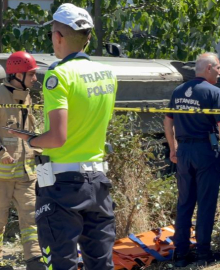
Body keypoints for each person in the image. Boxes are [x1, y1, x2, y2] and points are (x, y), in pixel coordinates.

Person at [9, 3, 117, 270]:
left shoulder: (58, 75)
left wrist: (31, 140)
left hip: (62, 185)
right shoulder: (108, 74)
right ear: (88, 37)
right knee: (101, 264)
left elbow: (57, 138)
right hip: (98, 183)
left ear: (58, 36)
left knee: (61, 264)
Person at [164, 52, 220, 267]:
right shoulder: (215, 92)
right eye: (218, 68)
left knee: (184, 204)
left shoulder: (178, 91)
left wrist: (173, 147)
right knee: (206, 204)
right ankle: (203, 253)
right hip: (205, 151)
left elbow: (167, 120)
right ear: (208, 68)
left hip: (184, 152)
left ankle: (180, 253)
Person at [0, 52, 46, 270]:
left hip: (26, 173)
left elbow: (29, 130)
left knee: (31, 218)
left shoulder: (25, 95)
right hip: (2, 173)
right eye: (32, 74)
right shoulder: (0, 95)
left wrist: (40, 149)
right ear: (17, 74)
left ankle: (34, 259)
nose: (35, 79)